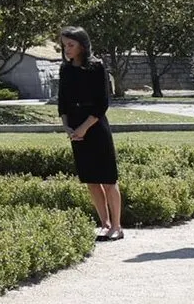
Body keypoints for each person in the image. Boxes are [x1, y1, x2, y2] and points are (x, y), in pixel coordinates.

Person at [57, 26, 122, 241]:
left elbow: (102, 103)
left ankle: (117, 226)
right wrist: (67, 126)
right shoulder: (65, 69)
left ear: (82, 45)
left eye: (71, 45)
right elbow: (62, 101)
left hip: (95, 126)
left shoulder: (96, 66)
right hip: (75, 126)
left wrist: (84, 127)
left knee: (108, 179)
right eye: (64, 45)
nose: (67, 49)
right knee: (91, 180)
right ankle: (104, 223)